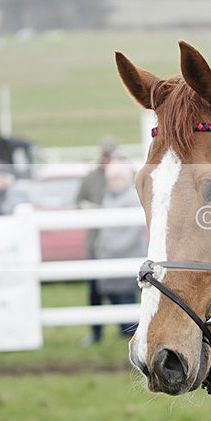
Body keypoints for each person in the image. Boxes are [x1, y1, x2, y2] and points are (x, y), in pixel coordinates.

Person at [86, 160, 146, 344]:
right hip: (104, 257)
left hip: (126, 257)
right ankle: (96, 334)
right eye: (112, 177)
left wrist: (109, 248)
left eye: (120, 177)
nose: (115, 181)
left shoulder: (133, 198)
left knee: (126, 306)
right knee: (97, 295)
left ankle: (133, 335)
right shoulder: (105, 197)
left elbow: (131, 234)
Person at [77, 136, 118, 344]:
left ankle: (126, 329)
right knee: (94, 291)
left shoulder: (123, 174)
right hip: (96, 241)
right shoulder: (91, 177)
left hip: (119, 243)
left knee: (123, 288)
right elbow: (79, 201)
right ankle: (96, 332)